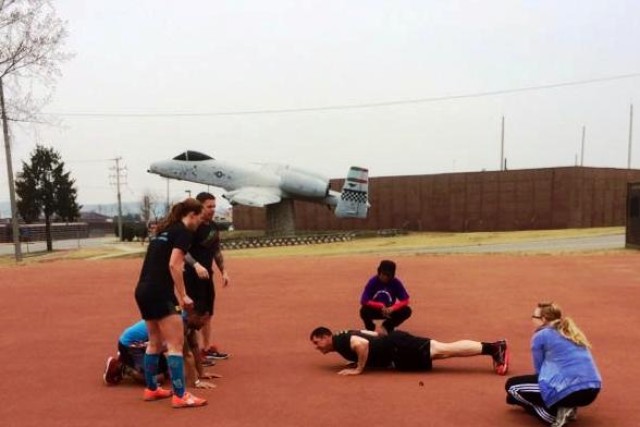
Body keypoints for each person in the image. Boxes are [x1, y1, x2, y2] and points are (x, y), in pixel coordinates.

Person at [133, 198, 207, 408]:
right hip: (160, 292)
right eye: (200, 218)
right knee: (175, 344)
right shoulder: (183, 232)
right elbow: (175, 265)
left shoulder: (163, 233)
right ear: (191, 215)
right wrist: (183, 295)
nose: (200, 222)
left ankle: (151, 389)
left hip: (142, 290)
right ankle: (181, 395)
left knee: (155, 342)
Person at [505, 302, 602, 427]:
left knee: (512, 387)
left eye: (534, 316)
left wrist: (528, 399)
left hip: (570, 391)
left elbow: (539, 371)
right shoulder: (570, 331)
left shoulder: (541, 335)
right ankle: (568, 407)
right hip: (593, 389)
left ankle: (553, 414)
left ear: (543, 319)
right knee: (552, 384)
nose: (532, 319)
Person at [310, 327, 509, 376]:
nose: (317, 347)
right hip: (396, 346)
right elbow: (370, 333)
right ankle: (491, 348)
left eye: (317, 342)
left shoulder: (342, 341)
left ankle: (493, 347)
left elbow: (362, 344)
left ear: (326, 336)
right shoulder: (342, 337)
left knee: (444, 349)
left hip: (399, 348)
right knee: (444, 352)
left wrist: (359, 368)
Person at [103, 313, 219, 389]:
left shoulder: (188, 322)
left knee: (166, 372)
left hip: (145, 343)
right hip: (129, 344)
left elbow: (194, 347)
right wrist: (196, 382)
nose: (204, 323)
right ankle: (122, 366)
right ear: (193, 316)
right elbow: (186, 354)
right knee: (157, 378)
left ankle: (131, 359)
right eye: (203, 319)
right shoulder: (179, 324)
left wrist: (201, 373)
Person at [183, 192, 231, 361]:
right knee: (194, 315)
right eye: (209, 206)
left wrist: (223, 271)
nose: (212, 210)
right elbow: (182, 252)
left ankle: (207, 348)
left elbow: (216, 250)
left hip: (207, 276)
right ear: (199, 206)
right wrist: (195, 265)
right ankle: (190, 352)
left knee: (207, 314)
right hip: (191, 276)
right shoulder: (192, 227)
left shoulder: (212, 226)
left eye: (214, 206)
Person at [359, 260, 411, 335]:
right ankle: (370, 328)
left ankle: (388, 326)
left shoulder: (396, 282)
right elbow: (363, 300)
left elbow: (405, 300)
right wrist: (379, 306)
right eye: (383, 274)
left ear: (392, 275)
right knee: (363, 311)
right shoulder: (373, 281)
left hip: (389, 311)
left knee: (407, 311)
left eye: (388, 275)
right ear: (379, 272)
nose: (384, 277)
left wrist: (393, 308)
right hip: (376, 310)